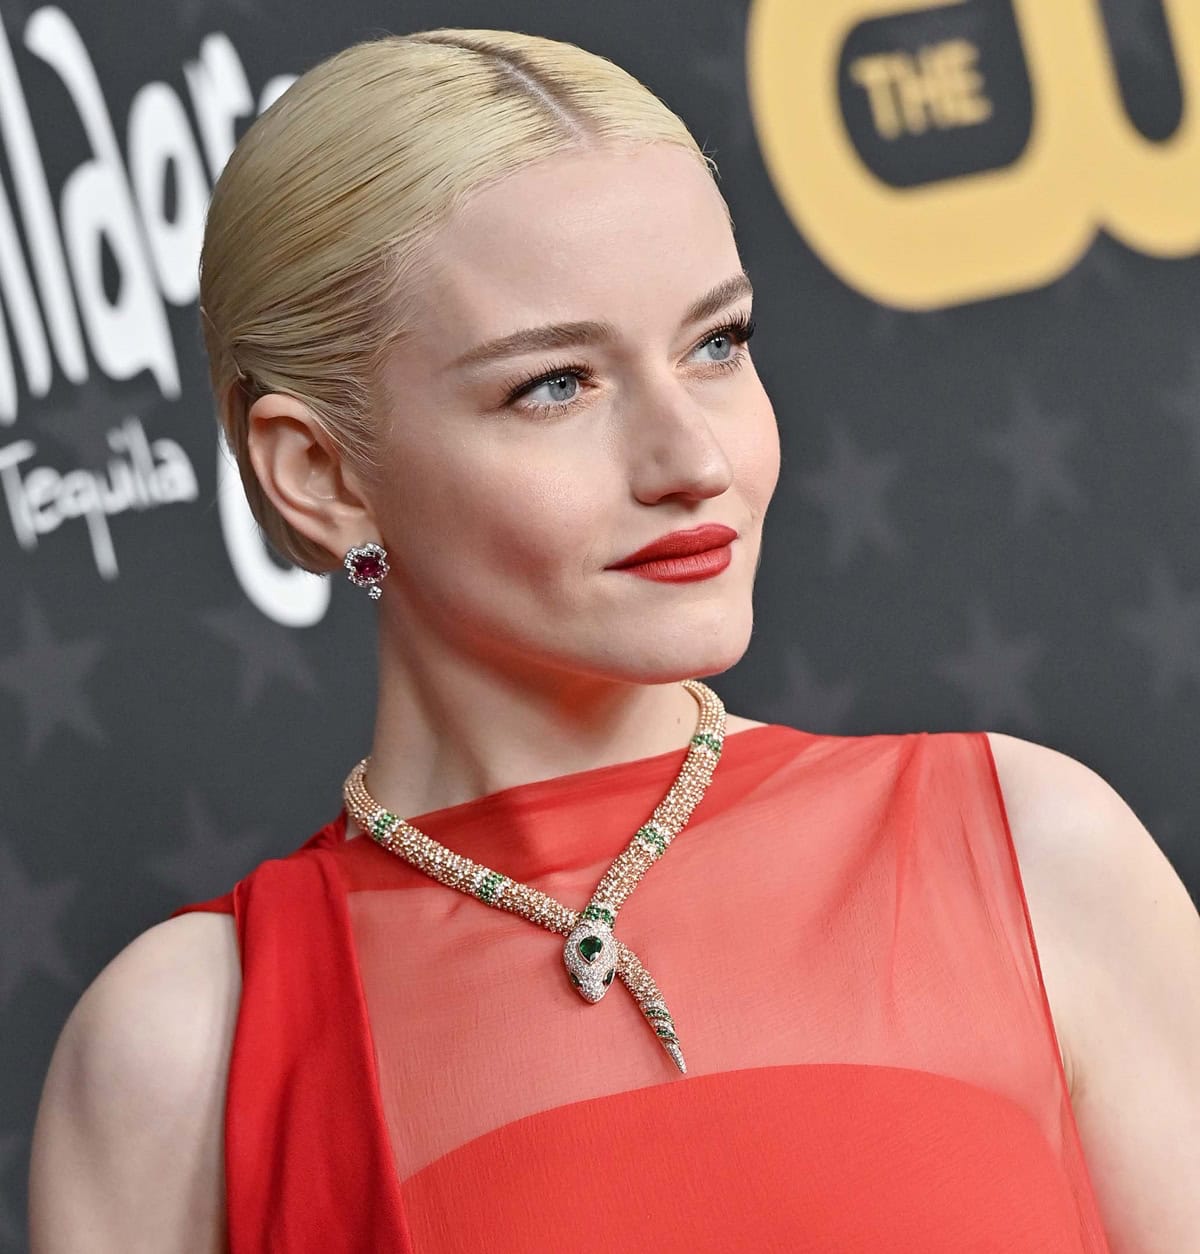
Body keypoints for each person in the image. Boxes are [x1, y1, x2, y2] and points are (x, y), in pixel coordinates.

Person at [27, 27, 1200, 1254]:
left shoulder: (1031, 859)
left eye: (717, 345)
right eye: (556, 385)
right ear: (320, 475)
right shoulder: (190, 1052)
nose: (692, 459)